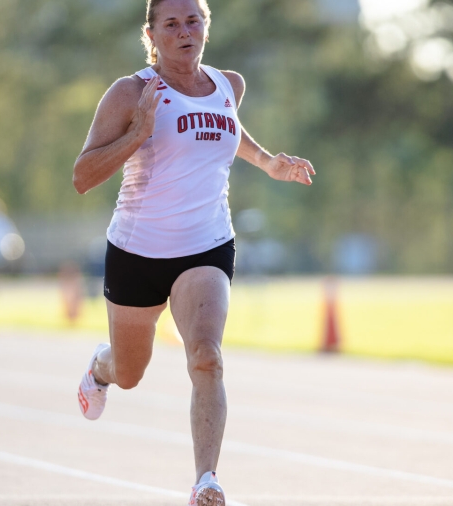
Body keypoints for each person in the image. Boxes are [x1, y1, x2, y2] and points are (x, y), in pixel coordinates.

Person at [72, 0, 315, 504]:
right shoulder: (130, 92)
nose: (185, 31)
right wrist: (138, 131)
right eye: (172, 24)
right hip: (138, 252)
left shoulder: (230, 85)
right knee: (130, 373)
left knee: (206, 357)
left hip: (206, 246)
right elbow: (82, 176)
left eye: (193, 21)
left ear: (207, 26)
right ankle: (101, 367)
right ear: (152, 34)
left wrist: (269, 163)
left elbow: (224, 128)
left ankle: (207, 480)